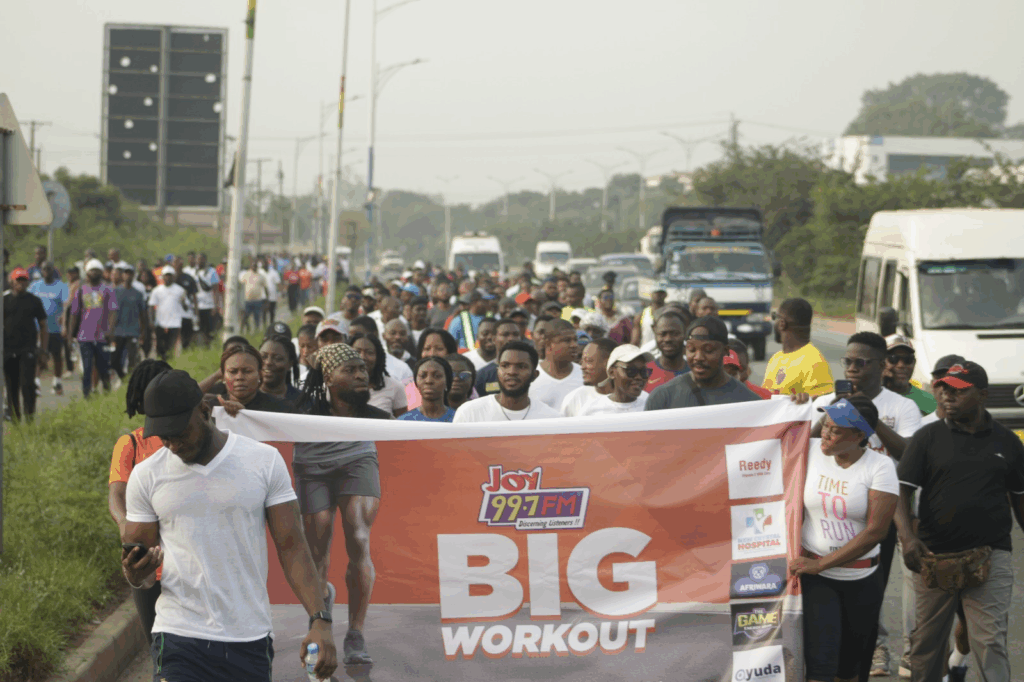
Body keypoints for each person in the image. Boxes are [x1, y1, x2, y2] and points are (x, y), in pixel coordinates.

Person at [121, 370, 338, 682]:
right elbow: (141, 566)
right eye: (164, 437)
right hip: (178, 635)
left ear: (204, 411)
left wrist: (320, 620)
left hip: (249, 638)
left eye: (180, 433)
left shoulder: (263, 461)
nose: (173, 445)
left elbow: (292, 547)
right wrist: (135, 576)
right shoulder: (146, 476)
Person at [898, 361, 1024, 682]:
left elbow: (1020, 499)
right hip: (933, 557)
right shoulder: (927, 437)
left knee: (989, 641)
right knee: (927, 644)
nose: (946, 395)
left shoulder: (1008, 442)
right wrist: (908, 537)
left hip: (991, 556)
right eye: (942, 388)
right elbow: (900, 491)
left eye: (958, 390)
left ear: (982, 394)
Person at [808, 331, 922, 678]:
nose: (853, 368)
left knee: (866, 601)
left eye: (861, 362)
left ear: (882, 365)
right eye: (848, 361)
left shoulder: (902, 406)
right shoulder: (830, 403)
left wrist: (868, 422)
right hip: (828, 514)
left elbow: (909, 458)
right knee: (823, 635)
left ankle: (870, 650)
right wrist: (837, 406)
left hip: (882, 510)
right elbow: (806, 443)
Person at [294, 343, 392, 665]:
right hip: (312, 466)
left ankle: (355, 633)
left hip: (357, 459)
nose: (360, 375)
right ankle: (320, 619)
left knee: (359, 537)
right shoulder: (301, 406)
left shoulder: (375, 415)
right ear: (328, 378)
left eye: (362, 369)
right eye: (349, 370)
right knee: (317, 545)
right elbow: (260, 405)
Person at [789, 397, 899, 682]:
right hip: (817, 580)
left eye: (835, 430)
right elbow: (773, 434)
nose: (825, 434)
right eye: (825, 425)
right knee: (820, 666)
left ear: (859, 435)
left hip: (861, 580)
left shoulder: (880, 466)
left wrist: (822, 563)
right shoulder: (810, 450)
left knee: (850, 670)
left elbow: (876, 531)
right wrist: (793, 403)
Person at [108, 359, 173, 645]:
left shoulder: (190, 439)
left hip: (187, 563)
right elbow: (116, 494)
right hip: (148, 564)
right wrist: (125, 524)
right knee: (157, 644)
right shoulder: (131, 444)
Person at [645, 316, 760, 410]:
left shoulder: (749, 402)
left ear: (725, 351)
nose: (698, 357)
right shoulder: (662, 398)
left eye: (708, 350)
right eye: (692, 349)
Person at [453, 341, 562, 422]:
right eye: (505, 366)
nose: (512, 372)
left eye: (521, 366)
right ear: (497, 371)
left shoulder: (551, 418)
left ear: (534, 375)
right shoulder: (470, 413)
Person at [762, 298, 834, 397]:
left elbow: (822, 403)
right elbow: (764, 396)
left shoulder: (815, 362)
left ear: (782, 323)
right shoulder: (776, 358)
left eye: (775, 317)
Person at [69, 258, 118, 398]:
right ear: (87, 273)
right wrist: (70, 334)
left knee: (104, 368)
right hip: (85, 336)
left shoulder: (108, 290)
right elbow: (74, 313)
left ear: (101, 272)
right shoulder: (81, 290)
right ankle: (86, 395)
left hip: (103, 336)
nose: (94, 273)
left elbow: (113, 311)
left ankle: (107, 394)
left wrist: (110, 331)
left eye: (97, 270)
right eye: (92, 270)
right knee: (87, 367)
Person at [4, 268, 48, 420]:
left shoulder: (34, 301)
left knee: (27, 384)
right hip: (8, 349)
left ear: (28, 282)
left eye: (24, 280)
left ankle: (30, 418)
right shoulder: (4, 300)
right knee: (11, 386)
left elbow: (43, 326)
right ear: (12, 282)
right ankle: (15, 418)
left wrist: (43, 350)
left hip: (28, 348)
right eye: (18, 280)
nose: (21, 283)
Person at [206, 344, 296, 413]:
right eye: (233, 371)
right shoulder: (208, 409)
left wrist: (244, 414)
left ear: (260, 374)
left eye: (247, 371)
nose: (239, 377)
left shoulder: (282, 409)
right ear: (223, 376)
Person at [28, 261, 68, 396]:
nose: (46, 271)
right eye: (44, 269)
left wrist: (64, 324)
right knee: (39, 355)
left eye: (49, 269)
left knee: (57, 356)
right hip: (38, 329)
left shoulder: (61, 286)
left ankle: (57, 382)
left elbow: (65, 306)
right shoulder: (35, 286)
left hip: (55, 328)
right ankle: (36, 383)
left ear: (53, 270)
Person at [578, 344, 652, 415]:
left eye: (643, 372)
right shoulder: (591, 411)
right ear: (612, 372)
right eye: (631, 371)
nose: (639, 377)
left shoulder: (652, 405)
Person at [529, 319, 584, 410]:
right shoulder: (529, 376)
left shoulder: (584, 375)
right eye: (567, 340)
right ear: (548, 344)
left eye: (575, 340)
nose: (574, 345)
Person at [350, 333, 408, 418]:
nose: (362, 357)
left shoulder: (395, 387)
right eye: (357, 352)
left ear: (378, 357)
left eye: (369, 353)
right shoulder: (339, 385)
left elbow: (403, 422)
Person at [561, 338, 618, 417]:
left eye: (588, 361)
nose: (582, 367)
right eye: (582, 362)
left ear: (608, 363)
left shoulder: (633, 399)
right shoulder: (575, 398)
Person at [882, 334, 937, 416]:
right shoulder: (871, 396)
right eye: (893, 359)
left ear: (914, 363)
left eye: (908, 359)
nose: (901, 365)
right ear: (880, 362)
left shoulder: (929, 401)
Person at [112, 264, 148, 381]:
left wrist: (143, 331)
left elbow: (143, 314)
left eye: (130, 273)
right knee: (114, 360)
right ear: (122, 275)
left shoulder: (138, 294)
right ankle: (123, 378)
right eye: (126, 273)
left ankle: (131, 382)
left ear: (133, 276)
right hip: (117, 331)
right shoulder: (115, 291)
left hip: (132, 331)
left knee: (132, 359)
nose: (128, 276)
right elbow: (110, 312)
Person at [474, 319, 523, 397]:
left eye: (515, 334)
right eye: (505, 334)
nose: (511, 338)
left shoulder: (530, 370)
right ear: (494, 339)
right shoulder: (482, 375)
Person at [148, 265, 186, 362]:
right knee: (160, 347)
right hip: (160, 323)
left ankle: (170, 365)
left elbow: (186, 307)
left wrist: (184, 302)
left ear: (173, 277)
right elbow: (151, 306)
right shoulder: (156, 290)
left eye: (170, 275)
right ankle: (161, 364)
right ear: (163, 277)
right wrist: (151, 321)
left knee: (170, 347)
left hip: (175, 323)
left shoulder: (180, 290)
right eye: (166, 275)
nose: (168, 278)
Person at [400, 356, 456, 422]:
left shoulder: (458, 419)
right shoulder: (404, 421)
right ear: (416, 382)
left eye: (437, 376)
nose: (429, 381)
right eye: (423, 376)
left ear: (447, 381)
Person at [645, 311, 690, 391]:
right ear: (655, 333)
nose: (668, 339)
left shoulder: (696, 372)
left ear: (685, 333)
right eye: (662, 334)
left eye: (675, 334)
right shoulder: (644, 372)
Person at [259, 335, 303, 404]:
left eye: (277, 358)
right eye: (263, 357)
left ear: (290, 364)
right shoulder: (244, 399)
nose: (268, 362)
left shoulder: (304, 401)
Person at [192, 253, 220, 347]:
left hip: (209, 306)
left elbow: (216, 290)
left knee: (209, 329)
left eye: (200, 259)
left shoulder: (212, 272)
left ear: (205, 260)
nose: (198, 261)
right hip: (197, 306)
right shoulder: (193, 272)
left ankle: (210, 346)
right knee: (198, 329)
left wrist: (215, 306)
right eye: (197, 259)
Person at [171, 256, 198, 351]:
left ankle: (186, 351)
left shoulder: (189, 278)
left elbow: (194, 297)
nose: (177, 264)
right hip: (172, 312)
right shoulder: (169, 278)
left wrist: (196, 313)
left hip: (186, 312)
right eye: (175, 262)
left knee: (186, 335)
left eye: (179, 262)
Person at [239, 259, 268, 333]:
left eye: (255, 266)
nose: (254, 267)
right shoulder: (246, 274)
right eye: (253, 266)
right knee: (245, 316)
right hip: (248, 300)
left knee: (257, 317)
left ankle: (257, 331)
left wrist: (266, 299)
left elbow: (265, 287)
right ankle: (242, 330)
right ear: (250, 266)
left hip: (257, 300)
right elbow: (241, 284)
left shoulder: (260, 276)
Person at [262, 256, 281, 324]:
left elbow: (278, 283)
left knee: (272, 311)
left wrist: (280, 292)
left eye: (266, 264)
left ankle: (271, 323)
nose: (265, 265)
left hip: (272, 296)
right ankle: (264, 324)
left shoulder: (274, 273)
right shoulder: (260, 272)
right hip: (262, 296)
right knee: (264, 311)